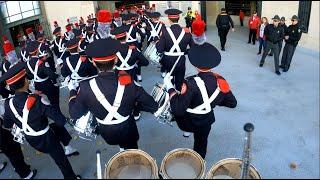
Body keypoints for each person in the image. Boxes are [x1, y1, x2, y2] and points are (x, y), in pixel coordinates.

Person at [68, 38, 158, 151]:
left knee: (122, 145)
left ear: (94, 62)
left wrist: (72, 91)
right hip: (128, 130)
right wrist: (135, 105)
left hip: (107, 134)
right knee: (133, 150)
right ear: (116, 60)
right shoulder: (129, 83)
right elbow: (153, 106)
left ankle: (121, 149)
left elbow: (74, 113)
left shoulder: (85, 87)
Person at [1, 62, 81, 179]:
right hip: (46, 138)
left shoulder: (8, 104)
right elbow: (60, 120)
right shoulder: (37, 100)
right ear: (26, 82)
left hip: (31, 139)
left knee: (56, 128)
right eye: (26, 79)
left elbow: (7, 124)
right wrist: (43, 99)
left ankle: (68, 146)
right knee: (61, 160)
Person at [160, 42, 237, 159]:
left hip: (188, 122)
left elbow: (178, 110)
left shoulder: (190, 83)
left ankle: (187, 132)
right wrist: (214, 101)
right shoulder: (220, 81)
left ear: (196, 66)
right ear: (212, 65)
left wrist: (170, 87)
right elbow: (232, 103)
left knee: (178, 105)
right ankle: (199, 163)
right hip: (206, 121)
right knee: (201, 144)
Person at [156, 8, 194, 92]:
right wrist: (183, 52)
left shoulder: (164, 31)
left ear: (169, 19)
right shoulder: (186, 32)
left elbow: (159, 50)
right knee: (179, 81)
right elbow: (194, 48)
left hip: (168, 60)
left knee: (169, 81)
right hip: (180, 60)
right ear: (179, 18)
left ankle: (170, 97)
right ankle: (179, 97)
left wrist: (157, 42)